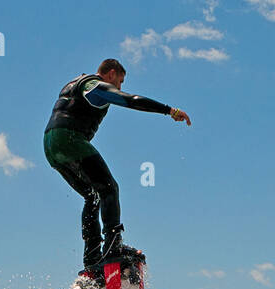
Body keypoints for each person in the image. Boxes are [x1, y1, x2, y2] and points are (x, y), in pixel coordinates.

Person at [44, 58, 191, 271]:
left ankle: (92, 257)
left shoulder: (75, 84)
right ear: (111, 73)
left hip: (50, 145)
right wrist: (169, 110)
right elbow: (130, 100)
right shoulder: (96, 86)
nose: (119, 86)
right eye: (120, 81)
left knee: (92, 196)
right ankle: (113, 247)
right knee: (109, 188)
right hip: (69, 140)